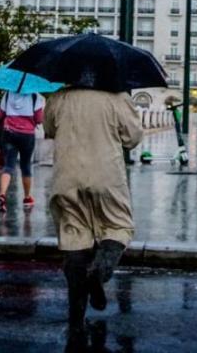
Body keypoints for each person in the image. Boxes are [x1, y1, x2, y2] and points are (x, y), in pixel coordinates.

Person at [43, 87, 142, 339]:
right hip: (106, 176)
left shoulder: (59, 96)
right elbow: (132, 138)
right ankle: (99, 271)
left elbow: (50, 129)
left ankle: (76, 321)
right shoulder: (118, 97)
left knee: (74, 238)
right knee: (118, 226)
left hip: (67, 176)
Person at [0, 91, 44, 213]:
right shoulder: (35, 95)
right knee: (25, 166)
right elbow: (39, 119)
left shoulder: (8, 94)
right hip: (27, 136)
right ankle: (27, 198)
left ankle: (2, 195)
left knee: (8, 166)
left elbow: (1, 114)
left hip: (9, 133)